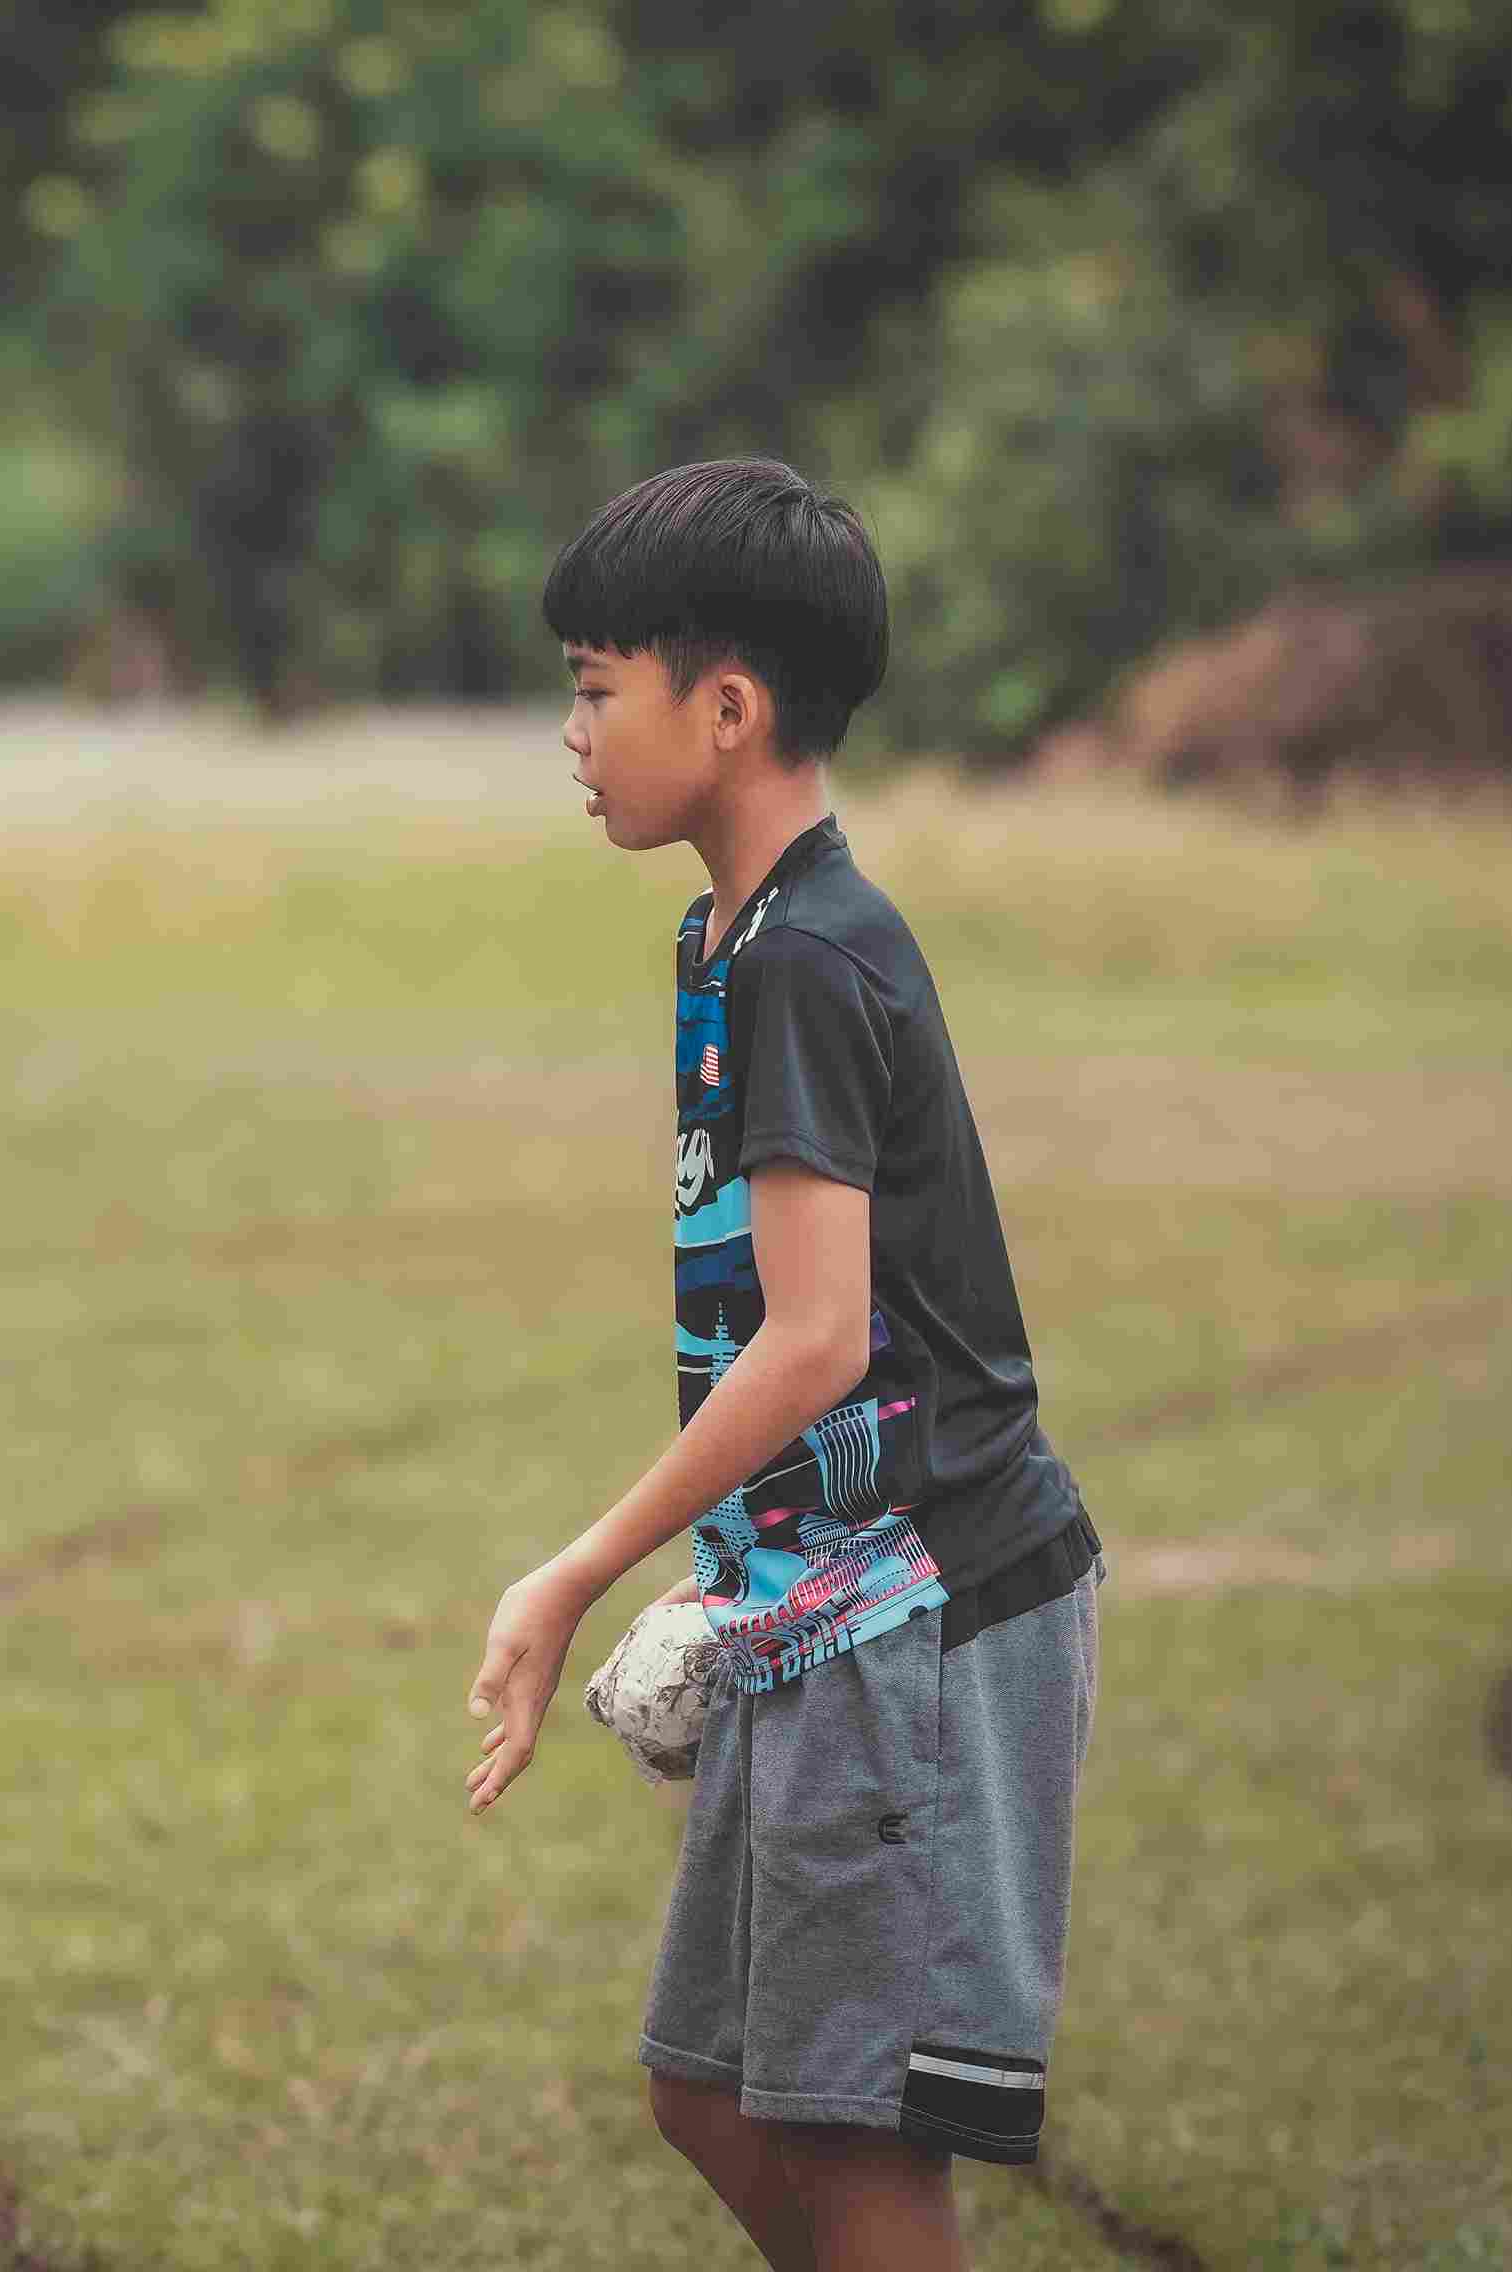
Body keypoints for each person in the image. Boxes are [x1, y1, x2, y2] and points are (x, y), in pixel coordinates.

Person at [462, 460, 1105, 2270]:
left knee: (850, 2141)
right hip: (822, 1596)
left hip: (921, 1610)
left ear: (723, 708)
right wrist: (736, 1568)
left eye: (596, 688)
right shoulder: (732, 938)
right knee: (712, 2089)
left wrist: (581, 1568)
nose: (571, 731)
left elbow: (818, 1340)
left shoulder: (808, 959)